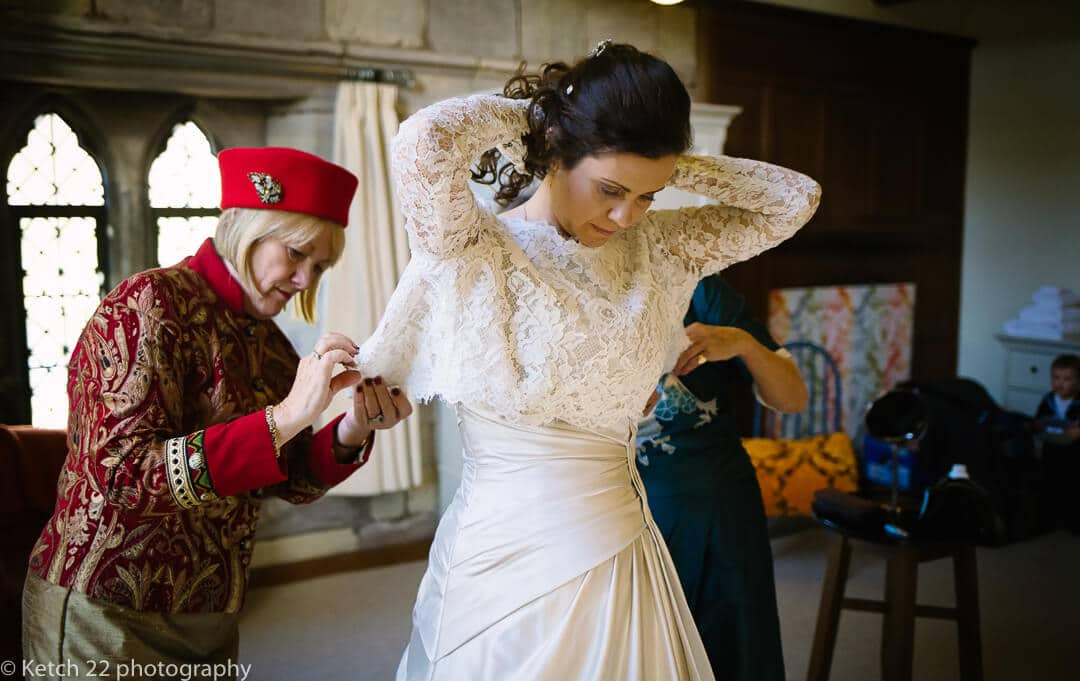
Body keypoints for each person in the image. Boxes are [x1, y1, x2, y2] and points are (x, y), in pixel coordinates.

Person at [358, 41, 821, 680]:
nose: (625, 215)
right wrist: (547, 118)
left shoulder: (660, 251)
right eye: (610, 189)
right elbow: (426, 139)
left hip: (620, 545)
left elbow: (793, 199)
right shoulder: (471, 246)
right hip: (500, 557)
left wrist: (670, 165)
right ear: (555, 149)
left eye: (648, 196)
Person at [22, 147, 414, 673]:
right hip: (108, 606)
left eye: (320, 266)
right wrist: (288, 415)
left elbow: (291, 477)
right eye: (297, 254)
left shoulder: (272, 346)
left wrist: (351, 426)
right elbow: (124, 477)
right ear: (250, 228)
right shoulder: (146, 304)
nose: (306, 280)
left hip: (212, 611)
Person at [636, 274, 807, 680]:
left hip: (717, 503)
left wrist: (744, 345)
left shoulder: (700, 291)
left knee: (734, 649)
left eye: (641, 204)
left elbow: (793, 399)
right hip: (617, 505)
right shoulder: (566, 287)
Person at [1034, 353, 1080, 533]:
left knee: (1072, 486)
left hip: (1073, 454)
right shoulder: (1048, 400)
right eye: (1056, 378)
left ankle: (1072, 521)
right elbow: (1038, 421)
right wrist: (1037, 425)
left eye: (1067, 379)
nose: (1060, 383)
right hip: (1051, 450)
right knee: (1047, 484)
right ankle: (1046, 520)